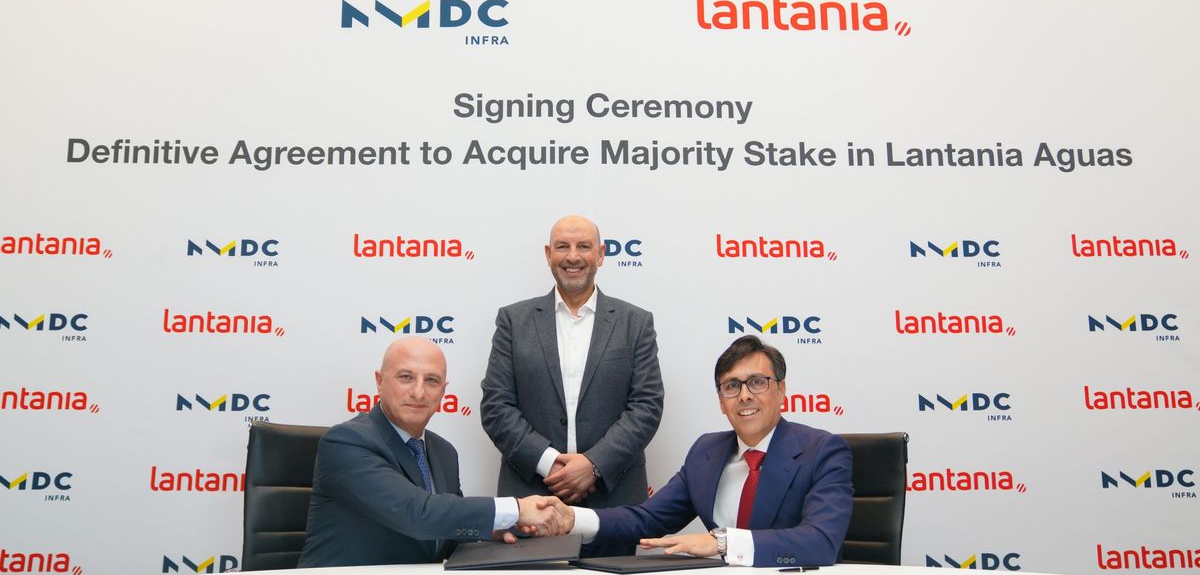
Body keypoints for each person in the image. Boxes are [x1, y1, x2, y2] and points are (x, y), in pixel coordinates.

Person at [569, 335, 853, 567]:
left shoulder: (822, 451)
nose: (744, 396)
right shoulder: (706, 451)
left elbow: (822, 541)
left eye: (757, 382)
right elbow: (646, 519)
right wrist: (571, 518)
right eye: (732, 386)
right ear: (721, 401)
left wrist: (722, 543)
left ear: (781, 391)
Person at [480, 215, 664, 556]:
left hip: (613, 502)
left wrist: (593, 465)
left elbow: (646, 406)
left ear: (601, 254)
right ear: (548, 254)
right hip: (531, 499)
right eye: (562, 247)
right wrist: (550, 463)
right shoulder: (513, 321)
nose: (573, 256)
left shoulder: (635, 322)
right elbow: (496, 406)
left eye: (584, 246)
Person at [298, 338, 570, 568]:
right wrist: (516, 509)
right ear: (379, 381)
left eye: (431, 381)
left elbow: (446, 534)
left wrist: (493, 530)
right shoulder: (346, 441)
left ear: (443, 391)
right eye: (406, 377)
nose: (419, 392)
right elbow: (416, 513)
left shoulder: (444, 452)